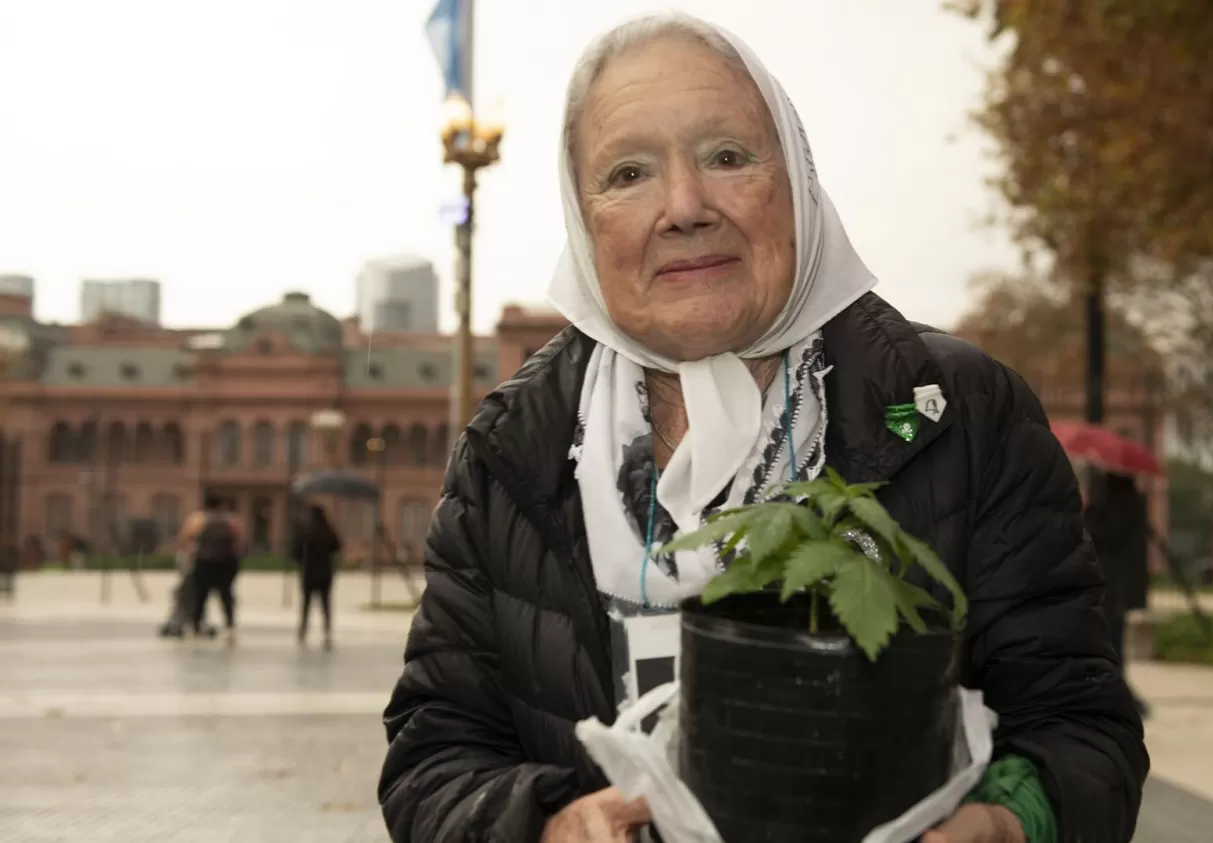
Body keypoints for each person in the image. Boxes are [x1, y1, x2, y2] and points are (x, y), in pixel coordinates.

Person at [379, 13, 1147, 843]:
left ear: (798, 178)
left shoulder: (961, 410)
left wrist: (1009, 823)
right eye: (629, 172)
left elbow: (1080, 728)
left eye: (728, 156)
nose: (684, 206)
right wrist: (546, 826)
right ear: (581, 216)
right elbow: (435, 757)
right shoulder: (512, 449)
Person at [1084, 471, 1152, 718]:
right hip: (1118, 589)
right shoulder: (1133, 504)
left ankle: (1120, 699)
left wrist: (1089, 513)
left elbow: (1099, 535)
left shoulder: (1113, 508)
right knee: (1111, 646)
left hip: (1108, 588)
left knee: (1108, 646)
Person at [187, 498, 243, 646]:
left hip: (204, 562)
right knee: (226, 595)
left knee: (200, 596)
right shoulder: (231, 521)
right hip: (226, 562)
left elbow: (189, 539)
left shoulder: (199, 520)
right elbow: (239, 541)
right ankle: (230, 626)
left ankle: (195, 627)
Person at [292, 504, 342, 649]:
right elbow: (337, 547)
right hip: (325, 572)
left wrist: (301, 562)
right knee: (325, 603)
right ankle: (327, 631)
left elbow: (295, 552)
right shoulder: (328, 532)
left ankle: (303, 630)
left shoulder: (304, 532)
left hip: (308, 572)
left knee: (306, 603)